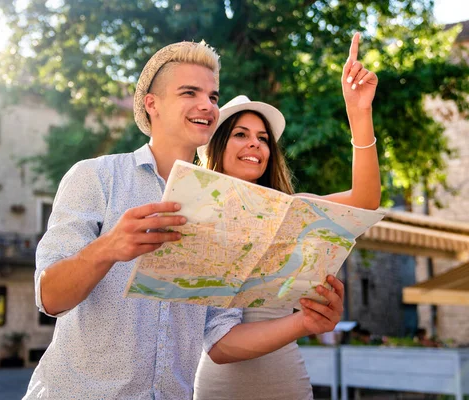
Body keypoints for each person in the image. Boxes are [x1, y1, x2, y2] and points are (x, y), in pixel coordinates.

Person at [23, 40, 344, 399]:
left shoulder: (222, 208)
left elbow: (220, 338)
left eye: (213, 96)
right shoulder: (96, 176)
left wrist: (304, 322)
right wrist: (107, 248)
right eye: (190, 92)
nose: (207, 105)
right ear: (152, 104)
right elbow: (49, 297)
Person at [194, 32, 380, 400]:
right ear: (217, 146)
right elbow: (218, 345)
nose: (255, 144)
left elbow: (366, 200)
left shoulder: (293, 213)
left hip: (287, 385)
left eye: (263, 138)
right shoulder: (199, 220)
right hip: (218, 389)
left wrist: (359, 113)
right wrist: (305, 322)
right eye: (241, 134)